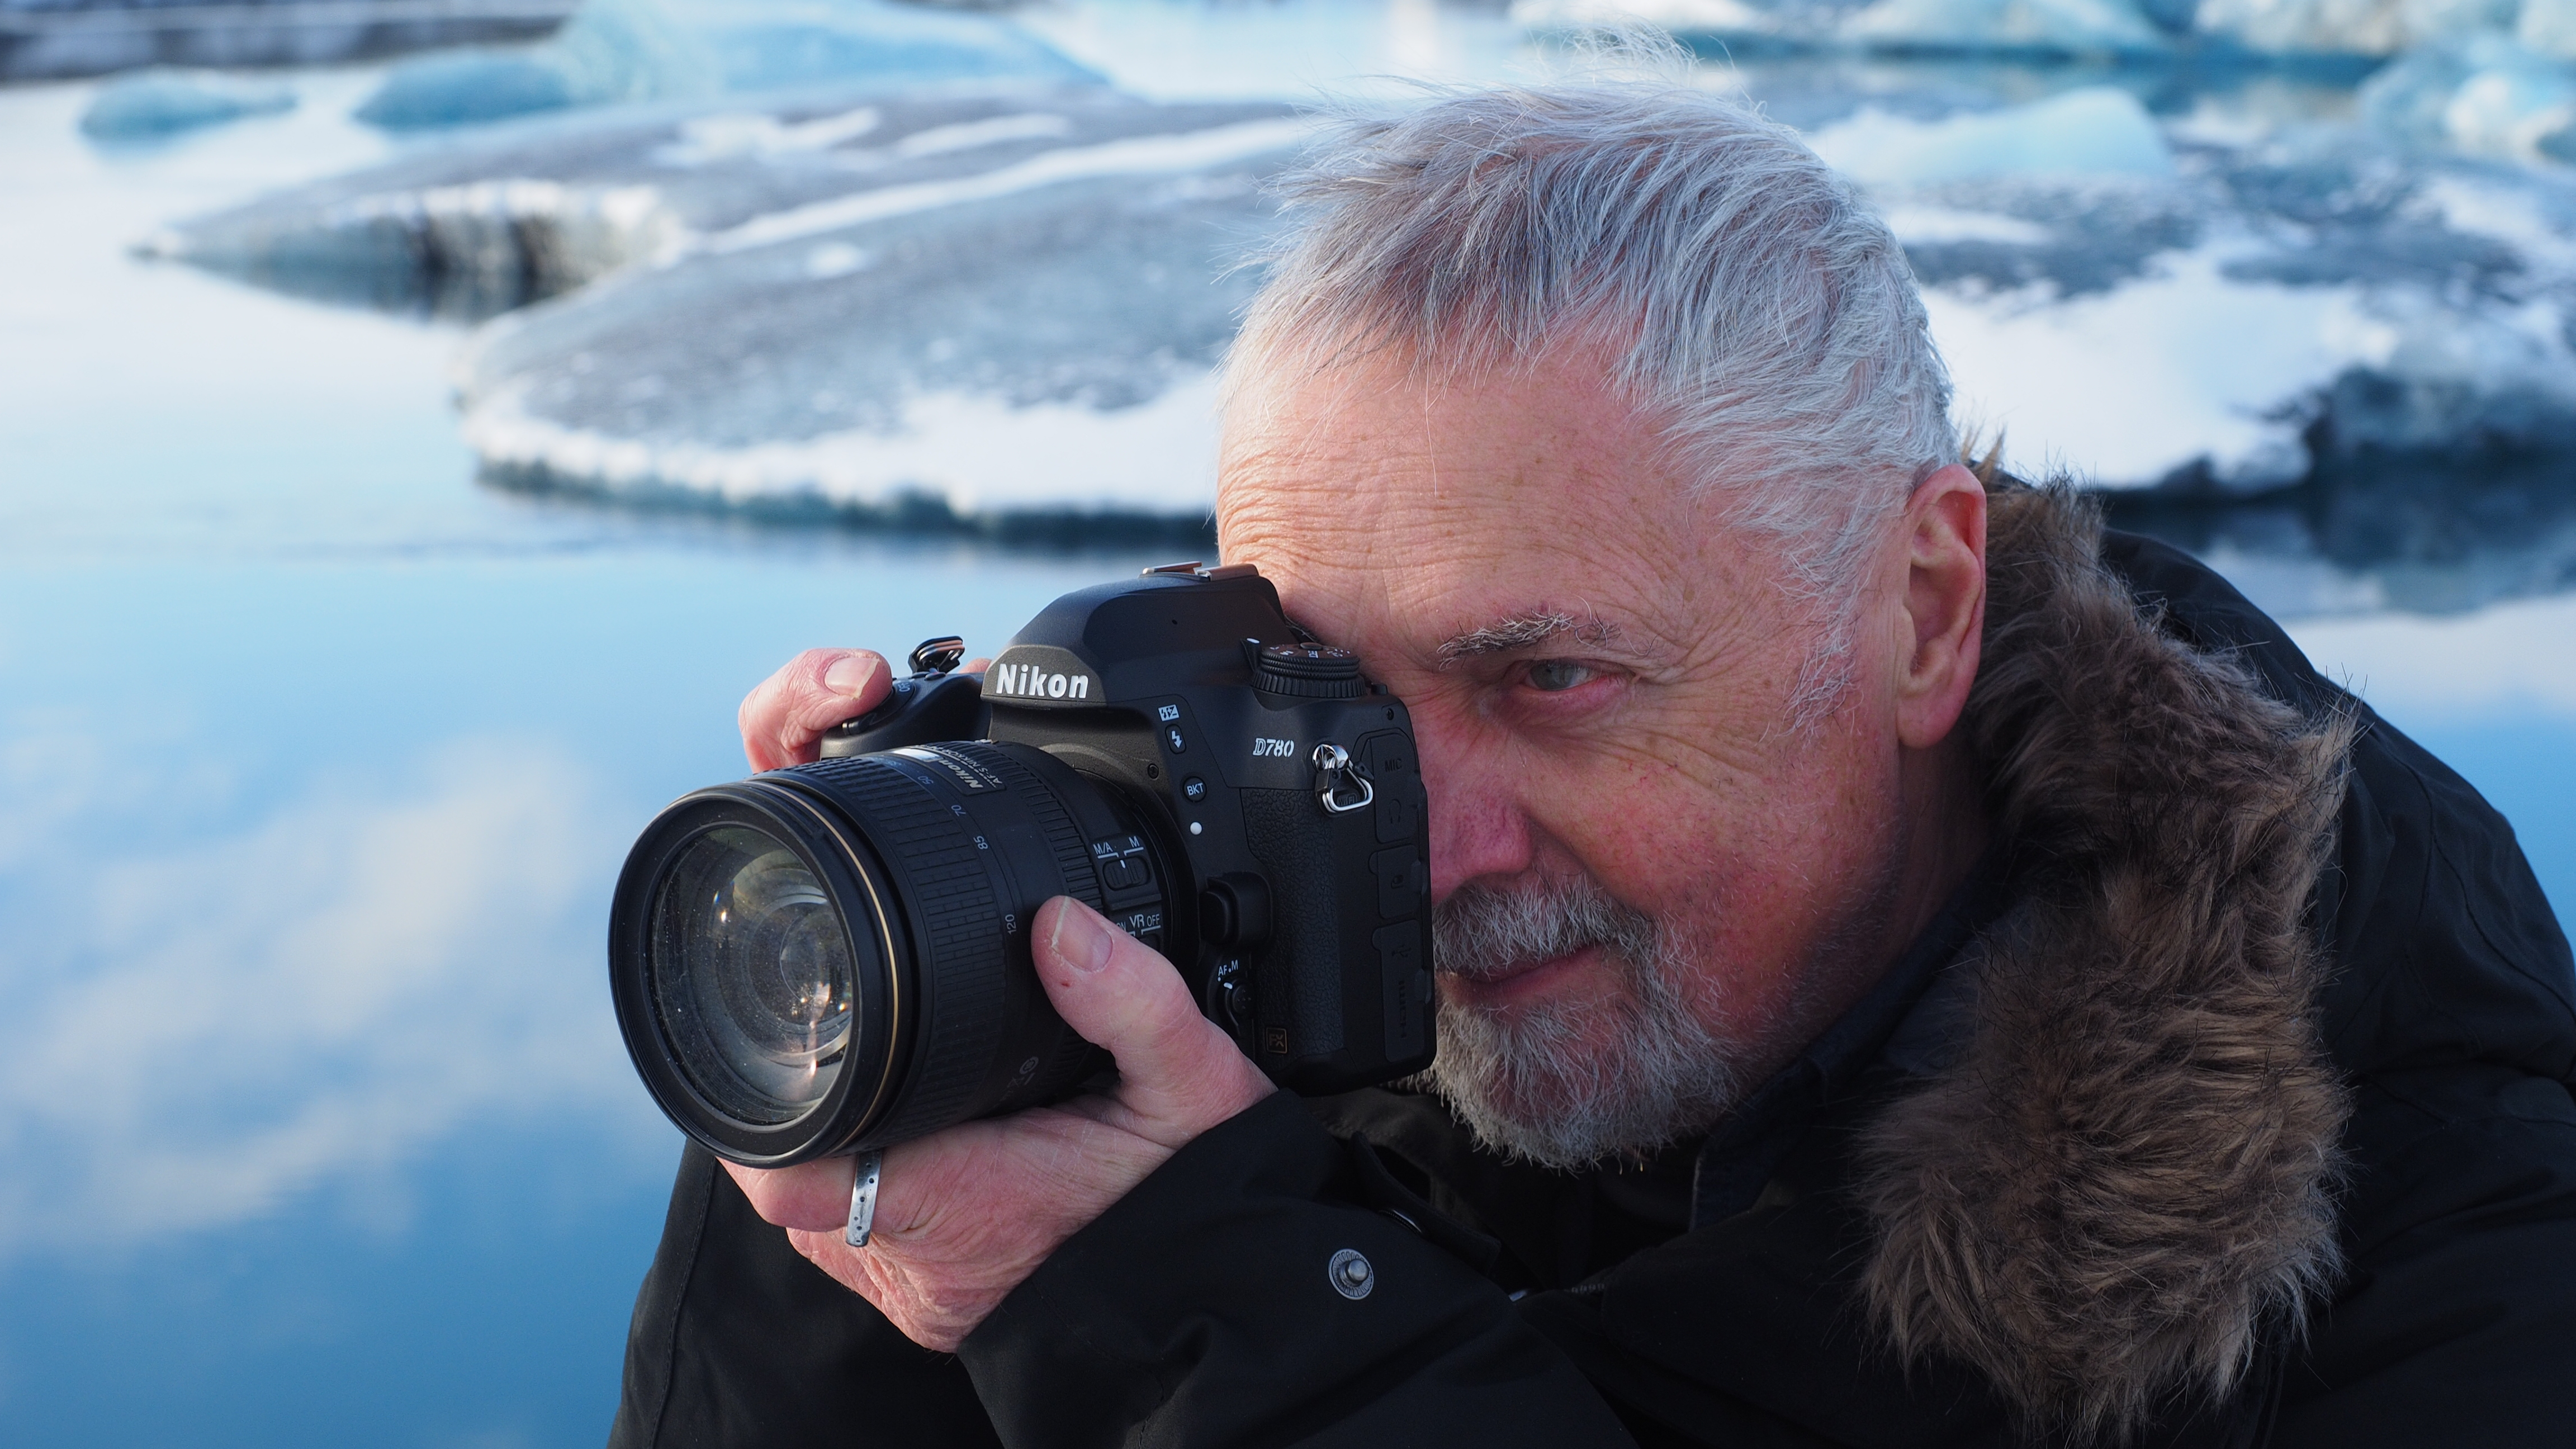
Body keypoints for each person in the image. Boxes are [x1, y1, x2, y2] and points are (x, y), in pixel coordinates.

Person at [606, 76, 2576, 1449]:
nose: (1425, 849)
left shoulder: (2447, 1244)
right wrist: (887, 1092)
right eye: (1324, 699)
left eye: (1550, 676)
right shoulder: (1264, 1012)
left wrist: (1192, 1317)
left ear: (1919, 607)